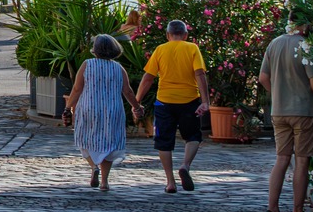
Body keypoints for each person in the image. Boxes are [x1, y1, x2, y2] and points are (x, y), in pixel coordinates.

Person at [135, 18, 212, 193]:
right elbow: (200, 74)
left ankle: (170, 182)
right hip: (189, 100)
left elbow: (148, 78)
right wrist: (205, 101)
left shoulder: (160, 49)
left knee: (164, 141)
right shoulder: (192, 48)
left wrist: (137, 100)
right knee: (193, 136)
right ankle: (185, 165)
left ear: (168, 35)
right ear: (185, 35)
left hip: (164, 101)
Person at [259, 16, 313, 212]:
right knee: (302, 160)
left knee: (282, 158)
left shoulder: (274, 43)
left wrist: (277, 94)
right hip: (304, 111)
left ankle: (272, 210)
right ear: (305, 24)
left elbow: (263, 78)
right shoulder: (306, 46)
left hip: (279, 111)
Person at [65, 34, 139, 190]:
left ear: (95, 49)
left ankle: (94, 167)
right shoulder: (118, 68)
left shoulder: (87, 64)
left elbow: (77, 89)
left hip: (89, 108)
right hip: (112, 110)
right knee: (108, 144)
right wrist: (136, 107)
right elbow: (128, 91)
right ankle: (104, 182)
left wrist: (68, 107)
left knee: (85, 139)